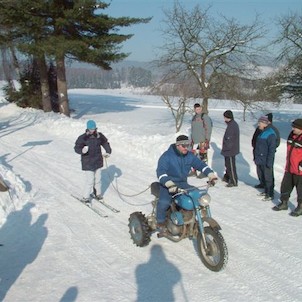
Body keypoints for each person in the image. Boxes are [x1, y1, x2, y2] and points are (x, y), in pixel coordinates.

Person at [156, 135, 218, 233]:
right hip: (167, 185)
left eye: (188, 145)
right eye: (183, 146)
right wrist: (169, 184)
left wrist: (211, 174)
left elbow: (201, 165)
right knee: (164, 202)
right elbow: (161, 172)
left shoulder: (189, 156)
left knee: (197, 196)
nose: (186, 148)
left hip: (182, 184)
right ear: (177, 145)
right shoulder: (166, 156)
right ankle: (160, 222)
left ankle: (193, 218)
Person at [74, 120, 112, 203]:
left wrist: (108, 151)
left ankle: (97, 194)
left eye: (94, 129)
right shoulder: (83, 137)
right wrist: (82, 150)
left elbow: (105, 143)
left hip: (98, 161)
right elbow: (77, 147)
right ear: (87, 128)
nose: (93, 130)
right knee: (90, 181)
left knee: (98, 179)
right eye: (91, 129)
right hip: (88, 162)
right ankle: (85, 197)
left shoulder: (99, 136)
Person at [272, 119, 302, 216]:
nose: (293, 129)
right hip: (289, 167)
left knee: (300, 190)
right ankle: (284, 203)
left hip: (299, 170)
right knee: (285, 186)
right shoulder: (291, 135)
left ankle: (300, 207)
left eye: (295, 127)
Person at [252, 113, 280, 188]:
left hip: (266, 155)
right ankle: (262, 184)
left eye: (260, 123)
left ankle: (269, 190)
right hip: (258, 153)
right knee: (260, 171)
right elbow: (255, 138)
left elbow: (275, 143)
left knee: (268, 174)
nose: (258, 124)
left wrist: (267, 150)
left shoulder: (272, 131)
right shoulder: (260, 129)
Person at [254, 116, 277, 201]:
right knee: (262, 175)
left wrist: (269, 162)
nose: (258, 124)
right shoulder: (262, 132)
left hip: (266, 159)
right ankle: (265, 190)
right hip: (260, 158)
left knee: (268, 177)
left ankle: (270, 193)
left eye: (260, 123)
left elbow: (272, 149)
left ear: (264, 123)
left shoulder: (270, 134)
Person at [221, 110, 240, 187]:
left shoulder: (232, 126)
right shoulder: (231, 125)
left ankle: (234, 181)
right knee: (227, 164)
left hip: (231, 150)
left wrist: (227, 147)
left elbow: (230, 139)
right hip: (228, 149)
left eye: (225, 117)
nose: (224, 119)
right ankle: (227, 177)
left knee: (231, 166)